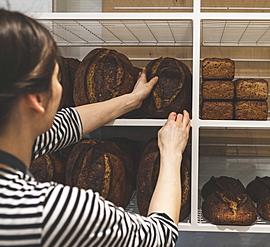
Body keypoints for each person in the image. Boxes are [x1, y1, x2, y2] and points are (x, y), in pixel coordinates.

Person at [0, 8, 190, 247]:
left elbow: (68, 123)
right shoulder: (53, 213)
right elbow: (159, 237)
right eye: (56, 78)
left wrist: (132, 100)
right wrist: (171, 153)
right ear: (36, 98)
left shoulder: (18, 143)